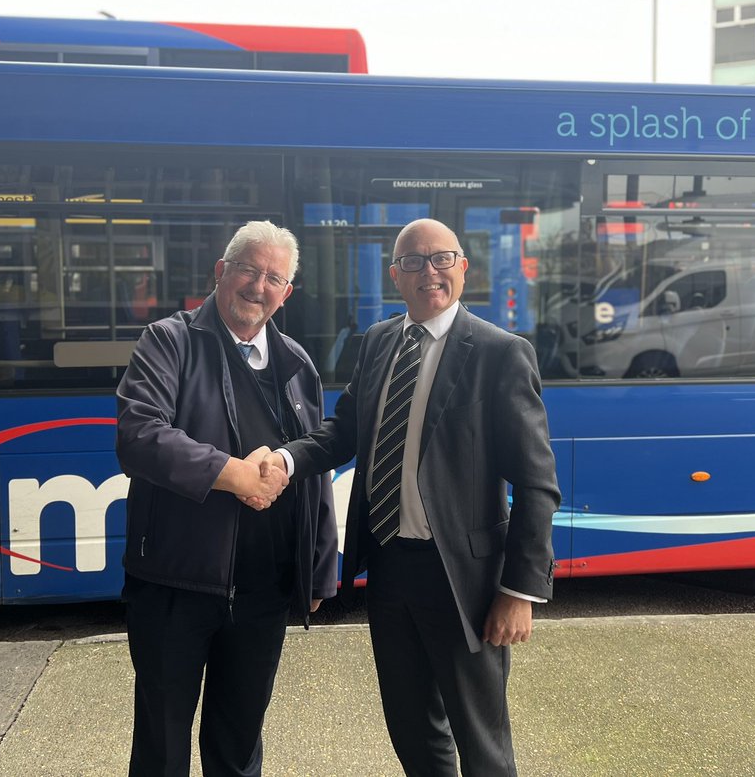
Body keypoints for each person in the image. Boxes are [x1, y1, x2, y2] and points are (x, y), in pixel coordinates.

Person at [265, 217, 560, 776]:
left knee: (482, 743)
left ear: (463, 268)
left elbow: (537, 484)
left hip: (463, 582)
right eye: (414, 262)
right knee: (411, 728)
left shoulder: (500, 354)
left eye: (442, 259)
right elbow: (343, 432)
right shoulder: (377, 343)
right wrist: (285, 460)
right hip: (390, 569)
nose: (430, 272)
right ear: (394, 275)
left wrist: (519, 590)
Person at [116, 220, 337, 777]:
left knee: (238, 747)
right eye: (248, 269)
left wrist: (317, 569)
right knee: (162, 750)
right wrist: (233, 473)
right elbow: (139, 435)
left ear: (287, 293)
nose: (257, 286)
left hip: (263, 592)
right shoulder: (170, 340)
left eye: (273, 277)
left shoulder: (297, 364)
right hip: (175, 584)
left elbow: (312, 467)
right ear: (221, 271)